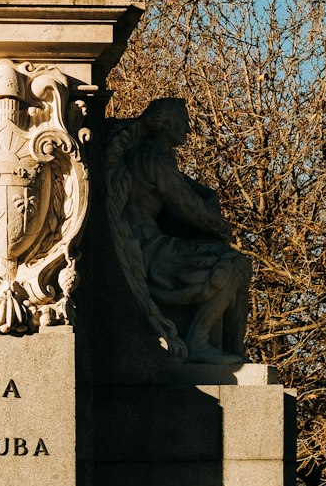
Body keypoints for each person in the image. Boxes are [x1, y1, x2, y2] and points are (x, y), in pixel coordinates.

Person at [107, 97, 251, 362]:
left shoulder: (154, 155)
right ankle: (199, 341)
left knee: (236, 264)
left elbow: (189, 191)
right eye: (183, 122)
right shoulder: (153, 157)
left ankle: (235, 354)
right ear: (165, 123)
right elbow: (187, 207)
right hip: (150, 250)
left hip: (151, 244)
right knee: (233, 264)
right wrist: (221, 227)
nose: (187, 129)